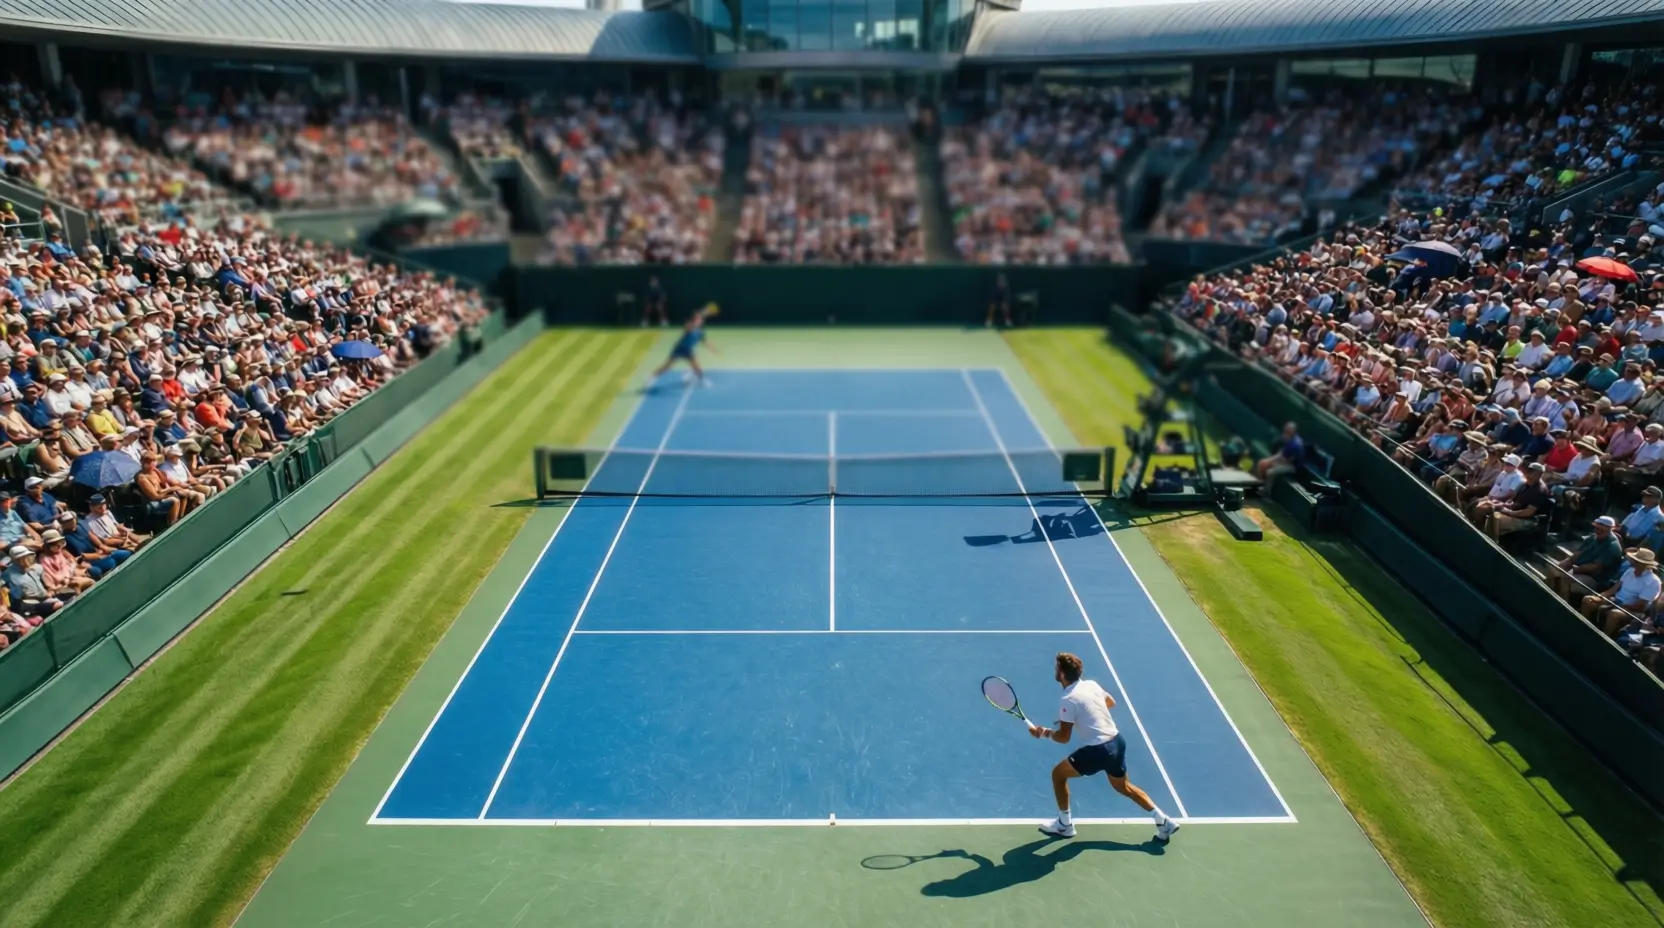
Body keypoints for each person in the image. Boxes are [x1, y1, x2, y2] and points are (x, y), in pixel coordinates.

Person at [1028, 652, 1180, 843]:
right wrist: (1081, 715)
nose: (1055, 670)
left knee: (1058, 774)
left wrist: (1044, 732)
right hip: (1117, 742)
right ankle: (1163, 820)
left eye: (1057, 668)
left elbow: (1063, 738)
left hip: (1098, 750)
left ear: (1063, 674)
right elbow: (1110, 702)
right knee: (1123, 786)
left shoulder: (1068, 699)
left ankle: (1065, 825)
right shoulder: (1091, 684)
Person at [650, 303, 719, 386]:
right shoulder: (689, 326)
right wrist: (704, 312)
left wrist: (712, 348)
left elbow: (705, 341)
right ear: (694, 320)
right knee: (667, 366)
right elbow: (688, 326)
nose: (701, 321)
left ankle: (701, 379)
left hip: (688, 350)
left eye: (701, 320)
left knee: (696, 365)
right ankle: (653, 377)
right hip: (679, 348)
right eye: (699, 320)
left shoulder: (700, 331)